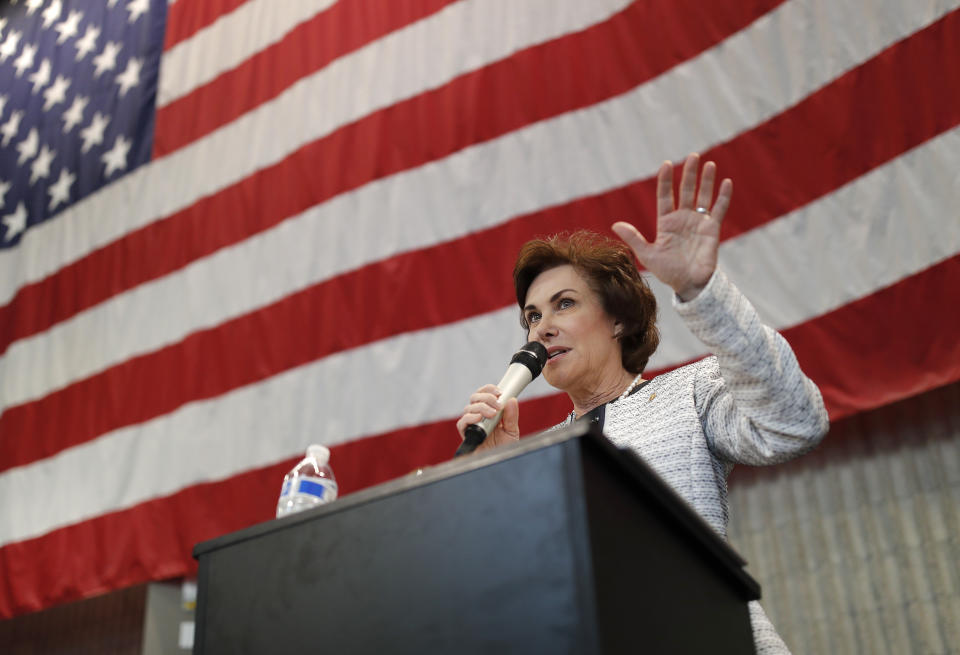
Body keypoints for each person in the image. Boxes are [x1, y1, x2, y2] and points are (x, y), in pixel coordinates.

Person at [455, 153, 829, 654]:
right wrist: (497, 475)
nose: (540, 327)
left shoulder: (688, 393)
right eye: (531, 315)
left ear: (618, 320)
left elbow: (795, 424)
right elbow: (502, 598)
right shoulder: (532, 451)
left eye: (564, 304)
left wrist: (701, 291)